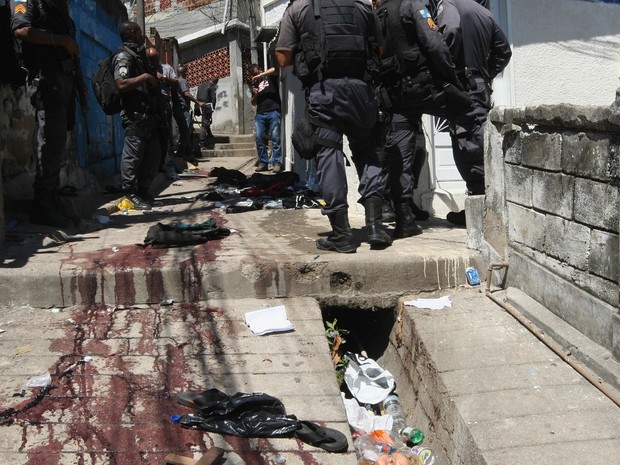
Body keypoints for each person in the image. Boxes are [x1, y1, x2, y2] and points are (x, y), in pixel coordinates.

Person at [275, 0, 392, 253]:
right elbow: (381, 48)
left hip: (325, 92)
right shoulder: (362, 6)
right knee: (368, 151)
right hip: (362, 91)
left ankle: (342, 234)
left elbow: (283, 58)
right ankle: (375, 226)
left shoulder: (298, 8)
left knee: (328, 155)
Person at [375, 0, 462, 237]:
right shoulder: (411, 5)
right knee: (470, 116)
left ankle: (404, 217)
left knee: (400, 154)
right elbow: (434, 44)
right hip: (422, 87)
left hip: (394, 93)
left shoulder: (377, 12)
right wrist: (452, 78)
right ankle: (479, 194)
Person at [433, 0, 511, 225]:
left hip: (464, 87)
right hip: (479, 86)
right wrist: (485, 76)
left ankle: (481, 212)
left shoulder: (448, 5)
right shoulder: (484, 12)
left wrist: (445, 72)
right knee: (477, 143)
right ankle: (479, 207)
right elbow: (504, 51)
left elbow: (451, 31)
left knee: (469, 146)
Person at [11, 0, 85, 228]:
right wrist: (60, 41)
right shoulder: (27, 1)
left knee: (58, 143)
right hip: (46, 81)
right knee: (51, 141)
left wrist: (80, 85)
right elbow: (21, 30)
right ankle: (43, 205)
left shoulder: (60, 9)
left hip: (63, 82)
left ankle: (51, 199)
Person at [113, 21, 163, 210]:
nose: (143, 35)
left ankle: (143, 191)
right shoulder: (123, 56)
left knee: (153, 155)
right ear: (133, 33)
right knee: (133, 156)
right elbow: (121, 83)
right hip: (134, 115)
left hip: (148, 116)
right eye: (140, 32)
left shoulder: (139, 55)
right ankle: (129, 193)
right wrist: (145, 77)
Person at [146, 46, 177, 171]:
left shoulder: (166, 68)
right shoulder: (145, 69)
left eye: (155, 59)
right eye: (151, 60)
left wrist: (163, 78)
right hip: (150, 105)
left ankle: (161, 164)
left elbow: (176, 84)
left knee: (164, 134)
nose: (154, 62)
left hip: (163, 104)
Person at [248, 64, 283, 173]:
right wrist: (256, 94)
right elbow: (253, 102)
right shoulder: (254, 83)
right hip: (260, 113)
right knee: (259, 138)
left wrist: (261, 75)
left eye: (255, 73)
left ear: (260, 69)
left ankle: (277, 163)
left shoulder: (269, 76)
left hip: (273, 110)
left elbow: (275, 69)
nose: (255, 76)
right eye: (253, 75)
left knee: (275, 138)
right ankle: (263, 163)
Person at [174, 65, 204, 160]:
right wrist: (197, 102)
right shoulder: (183, 81)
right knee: (186, 131)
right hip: (183, 109)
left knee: (182, 131)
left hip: (177, 108)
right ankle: (181, 152)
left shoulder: (176, 81)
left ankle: (186, 152)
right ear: (185, 73)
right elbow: (186, 93)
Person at [196, 76, 219, 149]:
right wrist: (212, 108)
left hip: (199, 105)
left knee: (206, 121)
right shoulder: (212, 87)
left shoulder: (201, 85)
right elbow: (213, 99)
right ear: (216, 82)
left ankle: (209, 135)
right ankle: (201, 143)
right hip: (207, 106)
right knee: (204, 124)